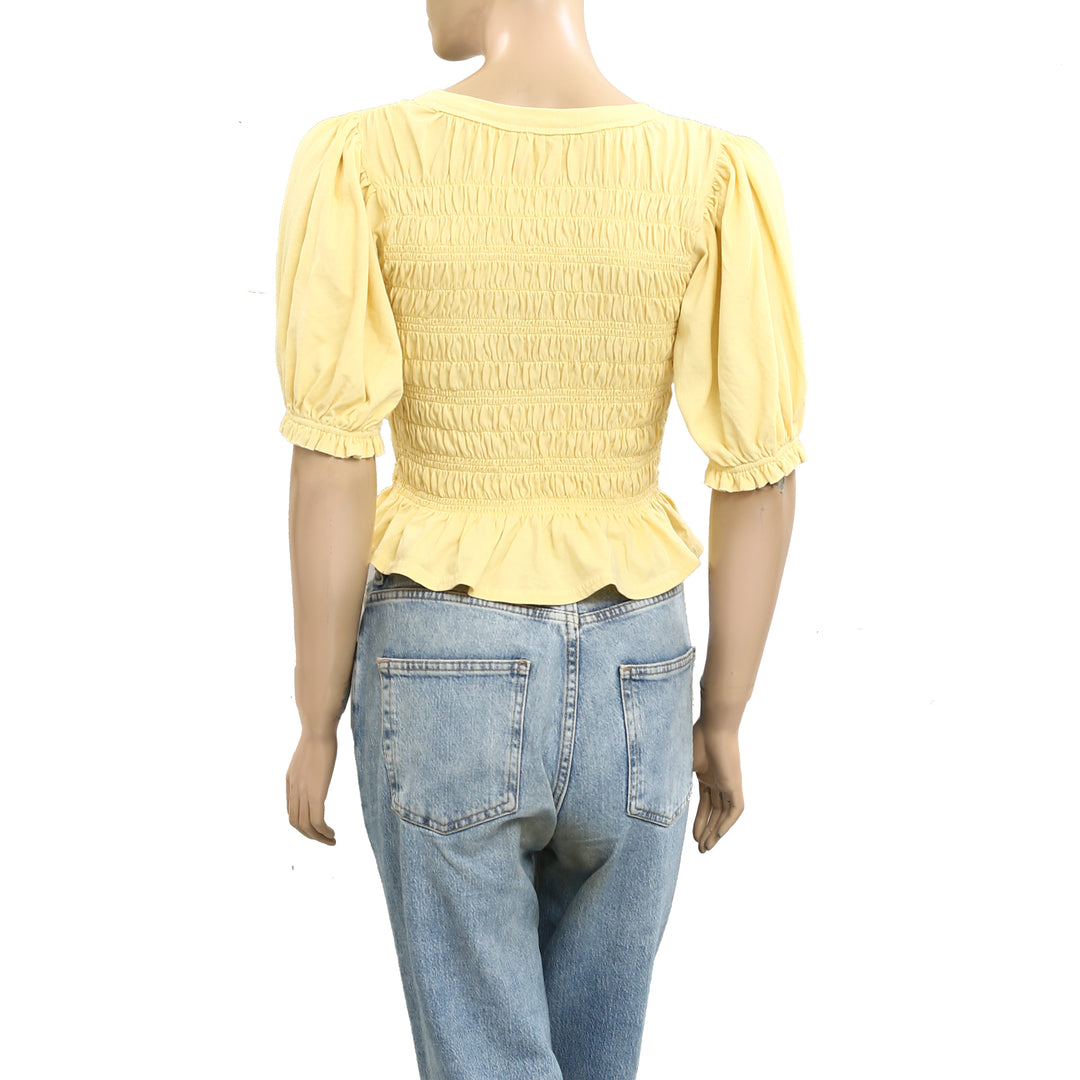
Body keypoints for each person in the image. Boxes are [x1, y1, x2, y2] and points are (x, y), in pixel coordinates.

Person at [277, 2, 807, 1076]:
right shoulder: (707, 173)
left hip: (442, 658)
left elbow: (335, 457)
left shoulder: (366, 160)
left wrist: (316, 714)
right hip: (640, 671)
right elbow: (759, 466)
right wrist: (723, 713)